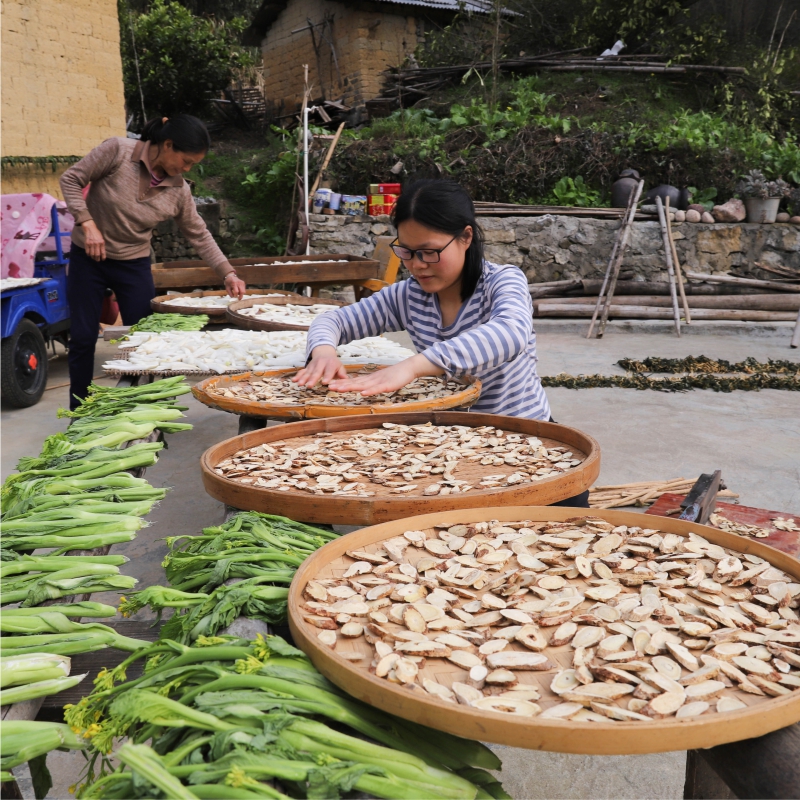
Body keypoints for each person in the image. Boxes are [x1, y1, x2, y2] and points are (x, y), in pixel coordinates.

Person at [294, 178, 589, 507]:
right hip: (449, 447)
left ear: (465, 237)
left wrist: (414, 367)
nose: (417, 264)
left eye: (430, 252)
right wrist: (323, 350)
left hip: (525, 441)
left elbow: (510, 334)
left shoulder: (502, 282)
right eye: (407, 251)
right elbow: (332, 320)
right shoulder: (409, 296)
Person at [60, 114, 246, 408]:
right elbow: (71, 179)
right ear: (167, 145)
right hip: (89, 258)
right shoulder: (118, 152)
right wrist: (87, 222)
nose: (186, 169)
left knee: (146, 338)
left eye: (192, 166)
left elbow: (198, 233)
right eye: (185, 161)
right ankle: (80, 410)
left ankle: (141, 403)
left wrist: (228, 273)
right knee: (83, 339)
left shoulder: (179, 190)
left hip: (133, 264)